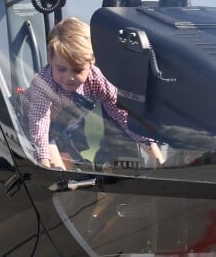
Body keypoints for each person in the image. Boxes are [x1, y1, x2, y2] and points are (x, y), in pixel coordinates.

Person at [21, 17, 164, 170]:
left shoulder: (96, 79)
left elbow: (122, 112)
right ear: (50, 59)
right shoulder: (44, 83)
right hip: (31, 129)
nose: (69, 77)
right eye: (61, 69)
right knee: (59, 172)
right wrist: (43, 162)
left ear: (92, 61)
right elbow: (39, 124)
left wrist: (151, 149)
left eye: (77, 70)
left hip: (61, 132)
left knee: (82, 174)